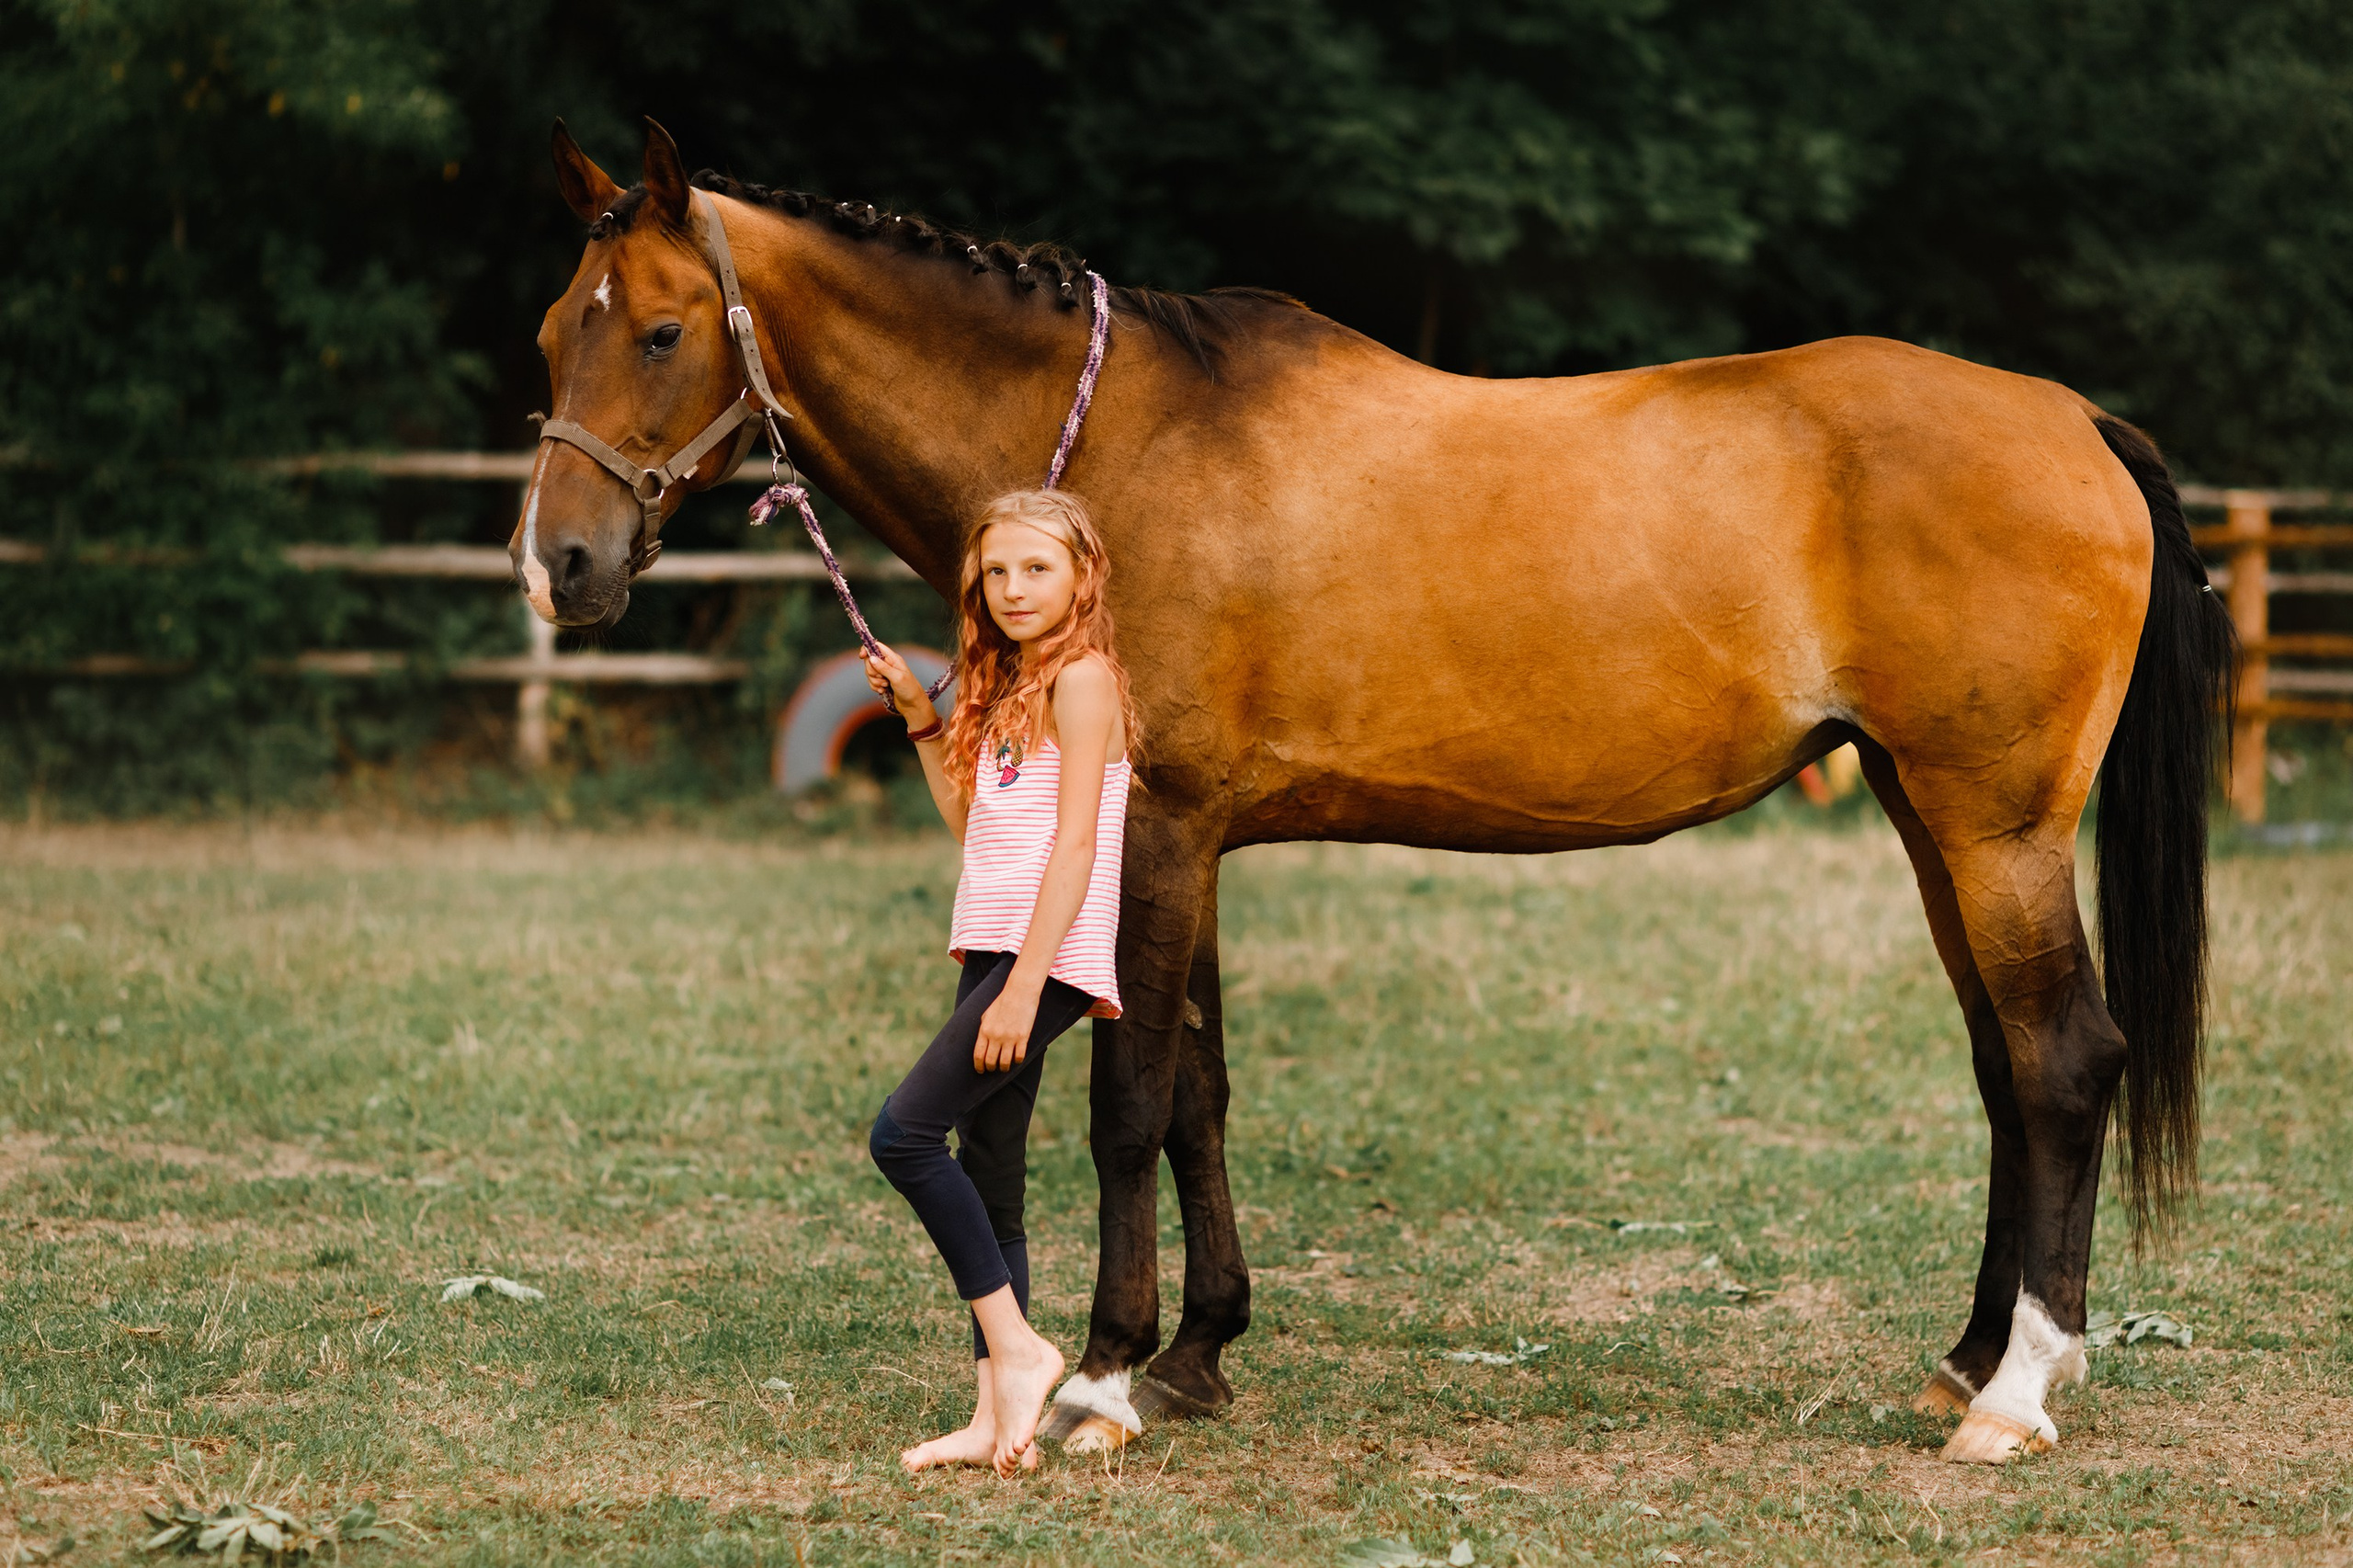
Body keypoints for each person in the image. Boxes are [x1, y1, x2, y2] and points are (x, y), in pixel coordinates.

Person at [859, 488, 1141, 1478]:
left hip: (1045, 956)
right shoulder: (1011, 682)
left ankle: (1021, 1348)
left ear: (1082, 577)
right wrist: (920, 718)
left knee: (901, 1134)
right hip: (992, 944)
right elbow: (973, 826)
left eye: (1038, 568)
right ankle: (997, 1418)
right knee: (989, 1165)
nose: (1013, 588)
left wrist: (1026, 986)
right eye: (997, 571)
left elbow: (1074, 847)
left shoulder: (1085, 680)